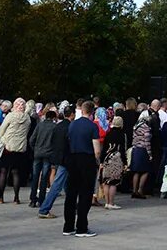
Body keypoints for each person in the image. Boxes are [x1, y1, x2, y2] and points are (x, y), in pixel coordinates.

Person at [63, 100, 102, 238]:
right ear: (92, 112)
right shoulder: (92, 127)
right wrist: (97, 161)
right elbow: (97, 150)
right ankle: (81, 227)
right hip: (86, 159)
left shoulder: (72, 124)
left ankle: (68, 226)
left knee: (71, 193)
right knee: (85, 194)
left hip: (73, 158)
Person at [38, 104, 74, 217]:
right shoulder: (70, 127)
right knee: (58, 185)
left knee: (67, 184)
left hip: (57, 157)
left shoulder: (58, 126)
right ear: (72, 114)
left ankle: (72, 205)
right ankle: (44, 209)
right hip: (66, 159)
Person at [0, 96, 30, 204]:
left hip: (7, 147)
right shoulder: (27, 118)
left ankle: (1, 197)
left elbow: (2, 129)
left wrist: (0, 140)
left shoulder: (10, 116)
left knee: (3, 171)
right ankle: (16, 198)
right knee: (16, 172)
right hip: (19, 148)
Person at [29, 107, 56, 207]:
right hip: (48, 153)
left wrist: (35, 149)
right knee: (44, 177)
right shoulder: (54, 127)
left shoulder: (39, 125)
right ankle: (41, 199)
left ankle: (32, 199)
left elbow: (32, 139)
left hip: (38, 152)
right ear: (53, 117)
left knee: (35, 176)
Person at [100, 116, 127, 209]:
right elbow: (123, 149)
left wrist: (101, 161)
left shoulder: (108, 134)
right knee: (113, 182)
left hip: (107, 159)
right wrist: (125, 162)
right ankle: (111, 203)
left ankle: (107, 202)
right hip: (117, 159)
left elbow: (104, 149)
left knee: (106, 181)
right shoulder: (122, 135)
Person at [130, 107, 154, 198]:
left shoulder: (136, 126)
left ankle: (134, 190)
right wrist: (150, 154)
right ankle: (140, 190)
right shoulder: (146, 127)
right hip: (143, 150)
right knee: (146, 171)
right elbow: (147, 141)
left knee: (136, 171)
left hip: (135, 149)